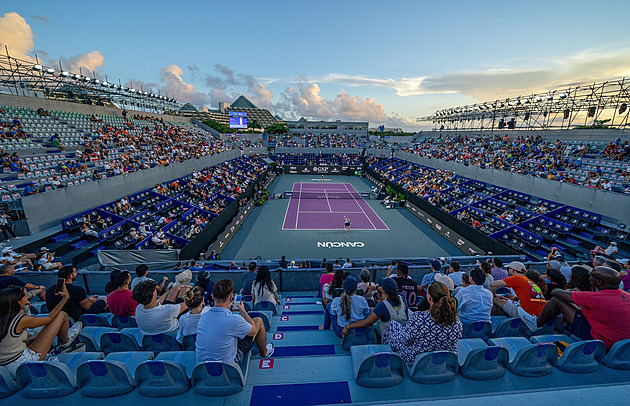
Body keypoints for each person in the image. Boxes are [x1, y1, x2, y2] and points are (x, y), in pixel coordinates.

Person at [536, 266, 630, 350]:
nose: (589, 277)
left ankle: (536, 324)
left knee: (556, 300)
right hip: (623, 344)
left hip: (601, 342)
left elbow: (556, 293)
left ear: (599, 281)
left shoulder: (594, 298)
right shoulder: (627, 296)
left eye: (591, 275)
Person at [0, 285, 82, 378]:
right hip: (21, 365)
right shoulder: (20, 320)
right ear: (18, 302)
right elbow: (49, 318)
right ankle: (64, 343)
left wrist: (25, 309)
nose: (27, 299)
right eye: (25, 297)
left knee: (33, 334)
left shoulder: (5, 317)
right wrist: (65, 298)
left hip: (3, 368)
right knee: (62, 315)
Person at [382, 281, 463, 366]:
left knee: (393, 325)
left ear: (430, 298)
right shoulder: (456, 319)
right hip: (446, 359)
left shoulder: (419, 317)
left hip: (418, 361)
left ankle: (385, 360)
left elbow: (404, 340)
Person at [196, 279, 274, 363]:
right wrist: (243, 312)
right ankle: (264, 352)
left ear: (212, 296)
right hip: (228, 365)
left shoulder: (203, 317)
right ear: (230, 297)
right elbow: (253, 331)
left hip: (202, 364)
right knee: (258, 321)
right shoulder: (235, 320)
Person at [490, 262, 547, 332]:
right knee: (503, 299)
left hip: (528, 315)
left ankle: (495, 323)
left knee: (495, 299)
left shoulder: (517, 278)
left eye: (509, 268)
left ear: (513, 270)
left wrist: (493, 295)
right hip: (539, 316)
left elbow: (492, 284)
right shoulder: (530, 282)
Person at [342, 278, 408, 337]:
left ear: (383, 290)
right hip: (403, 333)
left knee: (370, 313)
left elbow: (367, 322)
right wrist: (377, 288)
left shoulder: (382, 306)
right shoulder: (402, 297)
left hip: (389, 336)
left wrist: (348, 326)